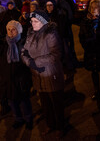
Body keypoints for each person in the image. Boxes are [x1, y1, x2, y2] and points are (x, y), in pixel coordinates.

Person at [21, 10, 64, 138]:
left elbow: (55, 55)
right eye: (32, 21)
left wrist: (35, 62)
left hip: (51, 75)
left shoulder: (50, 34)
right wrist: (29, 62)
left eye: (35, 21)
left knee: (56, 104)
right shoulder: (31, 35)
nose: (32, 24)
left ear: (43, 22)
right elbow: (24, 52)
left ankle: (60, 127)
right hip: (38, 76)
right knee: (45, 104)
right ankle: (50, 124)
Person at [0, 20, 33, 129]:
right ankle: (18, 119)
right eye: (9, 29)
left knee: (24, 102)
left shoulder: (24, 43)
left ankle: (28, 119)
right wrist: (0, 77)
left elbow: (29, 62)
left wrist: (26, 78)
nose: (11, 32)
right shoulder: (3, 45)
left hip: (21, 79)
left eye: (13, 29)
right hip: (7, 79)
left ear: (19, 30)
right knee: (12, 102)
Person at [79, 0, 100, 103]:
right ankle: (97, 92)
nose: (94, 9)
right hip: (91, 52)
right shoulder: (85, 21)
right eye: (92, 7)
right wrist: (87, 46)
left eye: (96, 7)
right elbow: (81, 36)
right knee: (94, 72)